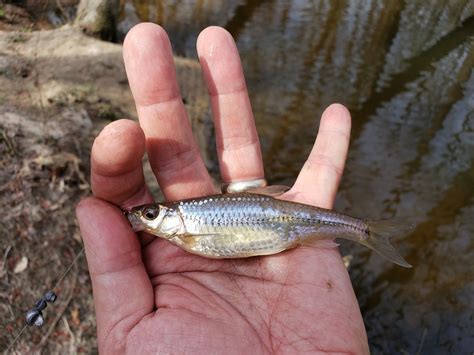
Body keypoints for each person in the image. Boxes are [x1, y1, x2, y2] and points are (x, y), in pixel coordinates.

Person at [76, 23, 369, 354]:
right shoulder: (182, 231)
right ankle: (356, 228)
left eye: (152, 214)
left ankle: (360, 229)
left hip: (281, 225)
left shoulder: (186, 230)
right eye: (150, 215)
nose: (148, 218)